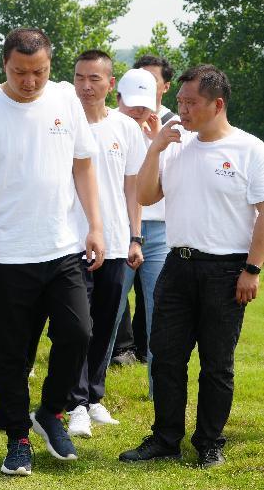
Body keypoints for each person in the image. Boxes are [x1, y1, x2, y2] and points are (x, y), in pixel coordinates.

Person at [0, 28, 103, 476]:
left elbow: (83, 166)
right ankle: (17, 437)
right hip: (5, 252)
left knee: (78, 332)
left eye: (39, 71)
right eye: (20, 72)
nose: (29, 80)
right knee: (9, 354)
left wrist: (96, 225)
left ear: (49, 66)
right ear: (5, 65)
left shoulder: (64, 100)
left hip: (61, 247)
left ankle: (51, 411)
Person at [120, 65, 264, 469]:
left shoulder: (250, 149)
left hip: (226, 270)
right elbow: (146, 196)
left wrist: (252, 269)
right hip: (177, 265)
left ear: (217, 104)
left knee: (217, 364)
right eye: (179, 102)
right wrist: (155, 149)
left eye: (191, 103)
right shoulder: (175, 144)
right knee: (166, 357)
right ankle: (165, 438)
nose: (181, 110)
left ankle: (209, 442)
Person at [66, 51, 146, 438]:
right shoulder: (62, 123)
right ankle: (75, 403)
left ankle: (93, 396)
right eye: (80, 78)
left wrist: (135, 236)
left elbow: (133, 188)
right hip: (71, 241)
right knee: (76, 326)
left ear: (110, 84)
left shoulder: (125, 128)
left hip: (115, 242)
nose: (86, 86)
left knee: (104, 324)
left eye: (94, 78)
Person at [110, 57, 179, 378]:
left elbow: (173, 179)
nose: (139, 109)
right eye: (132, 102)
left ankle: (159, 390)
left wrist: (155, 143)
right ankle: (89, 392)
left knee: (158, 310)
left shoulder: (172, 127)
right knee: (108, 310)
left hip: (160, 231)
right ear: (118, 97)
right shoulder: (107, 126)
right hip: (117, 228)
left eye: (145, 102)